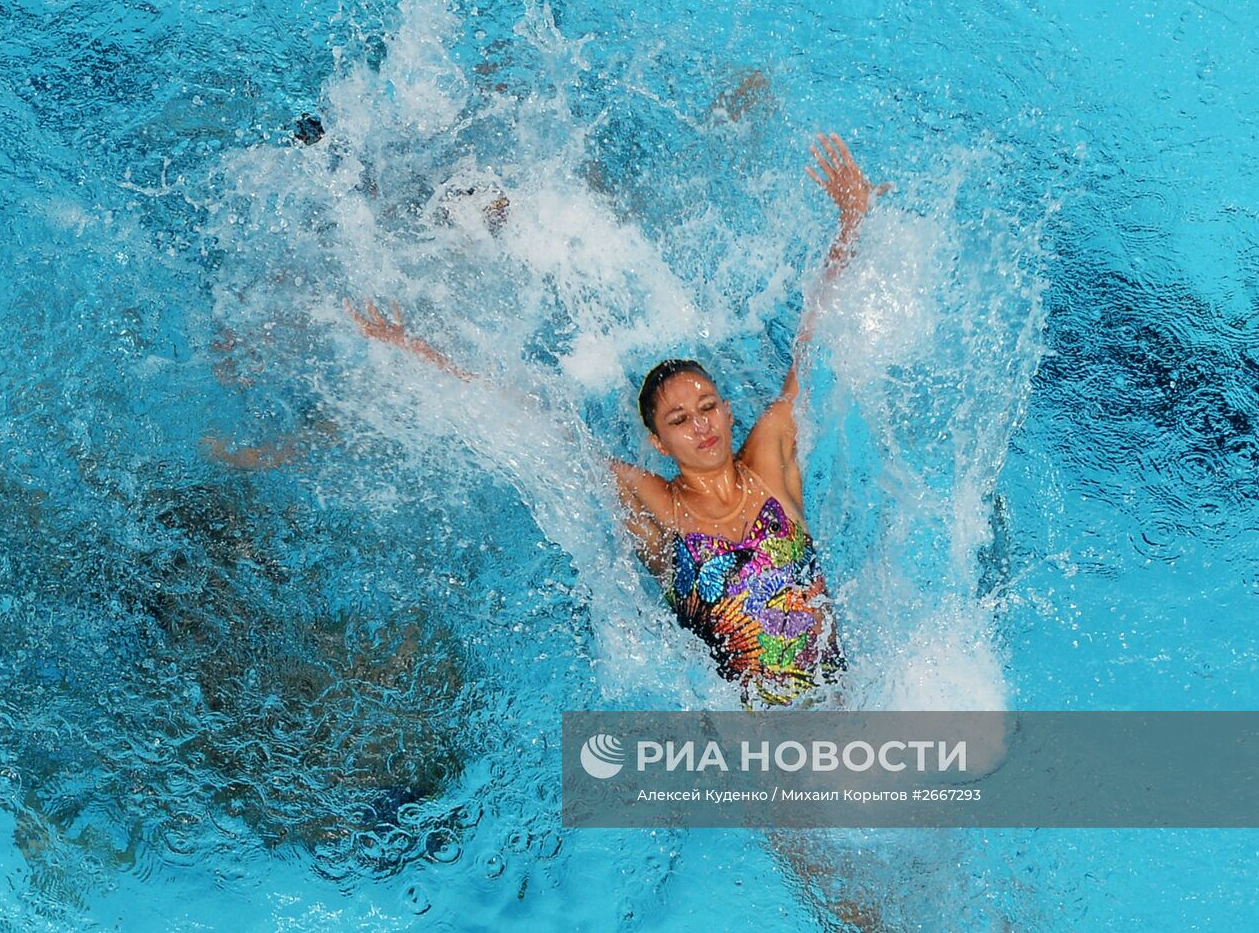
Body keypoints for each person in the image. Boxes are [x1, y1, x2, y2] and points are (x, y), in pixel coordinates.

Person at [349, 132, 887, 707]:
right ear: (658, 443)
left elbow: (814, 341)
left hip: (848, 709)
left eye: (708, 408)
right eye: (680, 419)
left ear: (729, 413)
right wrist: (422, 355)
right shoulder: (657, 506)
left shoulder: (771, 459)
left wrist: (852, 221)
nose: (701, 425)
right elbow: (541, 435)